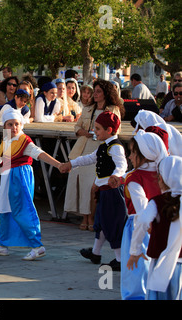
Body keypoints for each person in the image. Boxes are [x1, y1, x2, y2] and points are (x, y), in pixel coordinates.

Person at [0, 108, 61, 260]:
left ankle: (37, 246)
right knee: (4, 209)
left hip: (20, 177)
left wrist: (59, 165)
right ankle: (2, 245)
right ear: (4, 126)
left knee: (23, 210)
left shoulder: (24, 141)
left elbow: (40, 154)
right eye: (10, 124)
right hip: (7, 177)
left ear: (21, 125)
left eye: (17, 124)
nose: (14, 127)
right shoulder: (6, 141)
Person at [60, 111, 128, 271]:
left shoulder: (116, 147)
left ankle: (119, 258)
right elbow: (89, 158)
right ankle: (96, 252)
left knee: (112, 224)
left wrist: (116, 175)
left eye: (97, 129)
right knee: (101, 223)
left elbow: (122, 164)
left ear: (109, 130)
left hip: (112, 192)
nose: (95, 132)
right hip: (104, 190)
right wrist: (72, 164)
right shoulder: (104, 146)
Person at [63, 79, 124, 231]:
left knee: (92, 182)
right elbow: (77, 127)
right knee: (79, 180)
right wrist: (84, 132)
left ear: (106, 93)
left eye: (98, 92)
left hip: (100, 148)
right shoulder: (88, 108)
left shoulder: (112, 109)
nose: (94, 95)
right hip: (84, 145)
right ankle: (84, 216)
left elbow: (116, 129)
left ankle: (92, 216)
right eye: (93, 91)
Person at [121, 130, 168, 300]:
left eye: (133, 152)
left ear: (145, 155)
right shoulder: (164, 174)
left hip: (138, 226)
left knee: (135, 274)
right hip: (163, 226)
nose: (130, 157)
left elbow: (141, 208)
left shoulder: (135, 178)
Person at [127, 156, 182, 300]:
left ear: (163, 179)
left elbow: (142, 222)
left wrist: (135, 251)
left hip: (161, 262)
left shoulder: (157, 202)